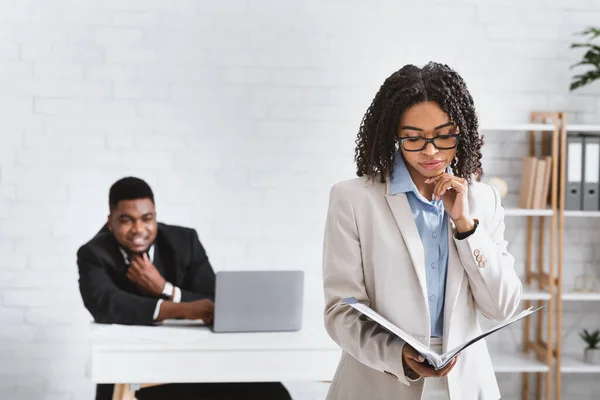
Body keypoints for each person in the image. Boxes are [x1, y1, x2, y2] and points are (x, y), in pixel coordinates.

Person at [322, 62, 522, 400]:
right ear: (393, 136)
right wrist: (397, 355)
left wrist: (465, 226)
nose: (430, 151)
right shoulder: (353, 199)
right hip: (378, 382)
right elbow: (341, 310)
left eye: (444, 136)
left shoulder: (482, 199)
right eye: (413, 138)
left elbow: (502, 307)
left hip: (464, 384)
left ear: (462, 131)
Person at [77, 177, 291, 400]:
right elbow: (105, 304)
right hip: (134, 368)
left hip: (195, 362)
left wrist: (167, 289)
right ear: (110, 222)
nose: (138, 229)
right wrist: (185, 309)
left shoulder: (184, 241)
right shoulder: (93, 253)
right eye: (127, 220)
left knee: (272, 392)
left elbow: (214, 301)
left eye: (146, 218)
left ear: (155, 217)